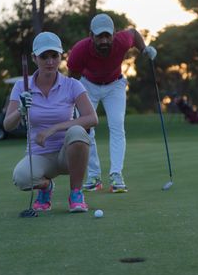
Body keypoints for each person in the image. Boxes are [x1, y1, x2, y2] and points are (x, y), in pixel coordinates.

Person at [4, 31, 98, 213]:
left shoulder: (72, 85)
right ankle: (46, 188)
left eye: (54, 56)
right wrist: (20, 110)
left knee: (78, 132)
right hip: (40, 155)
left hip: (67, 154)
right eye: (44, 56)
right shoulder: (21, 87)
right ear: (34, 58)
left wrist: (54, 128)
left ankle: (76, 194)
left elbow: (91, 118)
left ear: (61, 56)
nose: (50, 62)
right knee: (22, 178)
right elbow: (8, 125)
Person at [67, 13, 157, 193]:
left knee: (117, 126)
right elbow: (72, 80)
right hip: (87, 86)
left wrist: (144, 49)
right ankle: (94, 176)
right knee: (86, 129)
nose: (104, 41)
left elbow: (133, 32)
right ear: (91, 36)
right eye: (99, 36)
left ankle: (116, 175)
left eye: (107, 36)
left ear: (114, 34)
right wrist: (71, 103)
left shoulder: (122, 41)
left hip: (115, 85)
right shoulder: (79, 50)